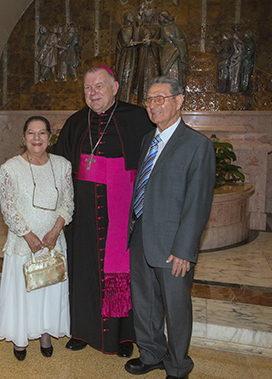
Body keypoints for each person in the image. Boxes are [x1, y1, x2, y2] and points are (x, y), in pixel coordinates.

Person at [52, 66, 154, 357]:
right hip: (84, 216)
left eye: (99, 86)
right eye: (87, 88)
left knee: (121, 272)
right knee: (83, 271)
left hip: (123, 214)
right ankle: (82, 331)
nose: (93, 93)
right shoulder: (75, 123)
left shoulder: (138, 119)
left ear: (115, 87)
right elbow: (60, 170)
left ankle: (122, 337)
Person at [125, 76, 215, 379]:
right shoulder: (147, 139)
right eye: (149, 100)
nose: (153, 105)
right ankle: (151, 353)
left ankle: (178, 366)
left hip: (173, 245)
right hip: (140, 235)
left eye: (160, 98)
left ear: (179, 101)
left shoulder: (197, 145)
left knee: (176, 309)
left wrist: (184, 250)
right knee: (145, 302)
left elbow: (198, 203)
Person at [0, 116, 74, 361]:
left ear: (50, 137)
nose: (37, 138)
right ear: (23, 138)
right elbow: (8, 207)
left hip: (53, 244)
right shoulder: (10, 168)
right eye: (31, 133)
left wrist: (54, 232)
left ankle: (45, 333)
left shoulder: (62, 165)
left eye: (42, 133)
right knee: (24, 291)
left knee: (48, 290)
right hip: (22, 243)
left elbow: (68, 203)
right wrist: (27, 234)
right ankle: (20, 339)